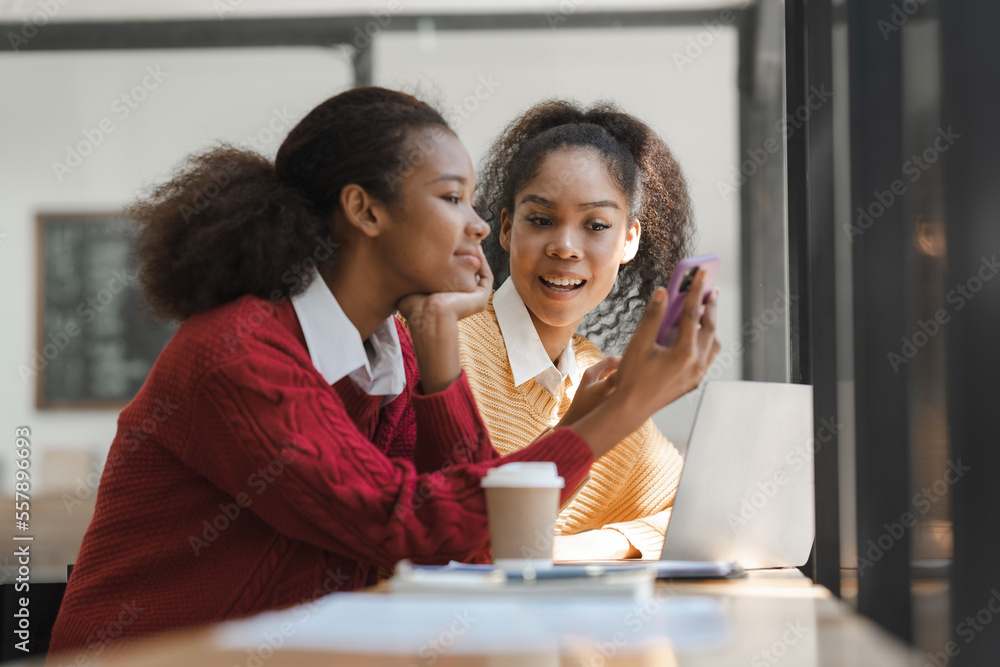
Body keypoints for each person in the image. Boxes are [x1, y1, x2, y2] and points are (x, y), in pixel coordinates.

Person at [49, 87, 718, 656]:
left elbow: (467, 545)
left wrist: (447, 357)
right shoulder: (238, 352)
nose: (482, 226)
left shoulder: (385, 359)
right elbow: (408, 522)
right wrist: (621, 411)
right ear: (365, 210)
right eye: (452, 197)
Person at [459, 100, 717, 560]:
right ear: (505, 228)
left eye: (595, 225)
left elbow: (690, 515)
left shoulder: (599, 375)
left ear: (630, 240)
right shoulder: (445, 346)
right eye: (540, 220)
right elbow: (459, 530)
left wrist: (579, 549)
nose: (564, 246)